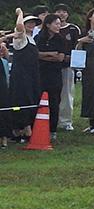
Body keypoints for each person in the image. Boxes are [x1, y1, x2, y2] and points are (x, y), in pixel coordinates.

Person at [7, 11, 42, 140]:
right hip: (21, 75)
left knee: (32, 98)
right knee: (22, 99)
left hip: (32, 74)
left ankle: (28, 126)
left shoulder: (32, 39)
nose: (31, 25)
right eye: (29, 22)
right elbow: (20, 28)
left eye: (33, 22)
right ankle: (21, 128)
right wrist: (20, 13)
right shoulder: (21, 38)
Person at [34, 13, 68, 138]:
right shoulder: (39, 38)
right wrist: (50, 54)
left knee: (54, 101)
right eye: (56, 23)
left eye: (60, 24)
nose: (58, 26)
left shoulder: (61, 39)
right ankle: (36, 127)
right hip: (41, 73)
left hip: (55, 74)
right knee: (38, 100)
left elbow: (60, 57)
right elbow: (36, 54)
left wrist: (45, 56)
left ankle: (52, 129)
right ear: (48, 25)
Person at [52, 4, 80, 130]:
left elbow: (78, 47)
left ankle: (66, 121)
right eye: (59, 11)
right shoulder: (50, 29)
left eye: (64, 12)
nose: (61, 14)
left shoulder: (73, 29)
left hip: (67, 67)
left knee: (67, 94)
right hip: (51, 66)